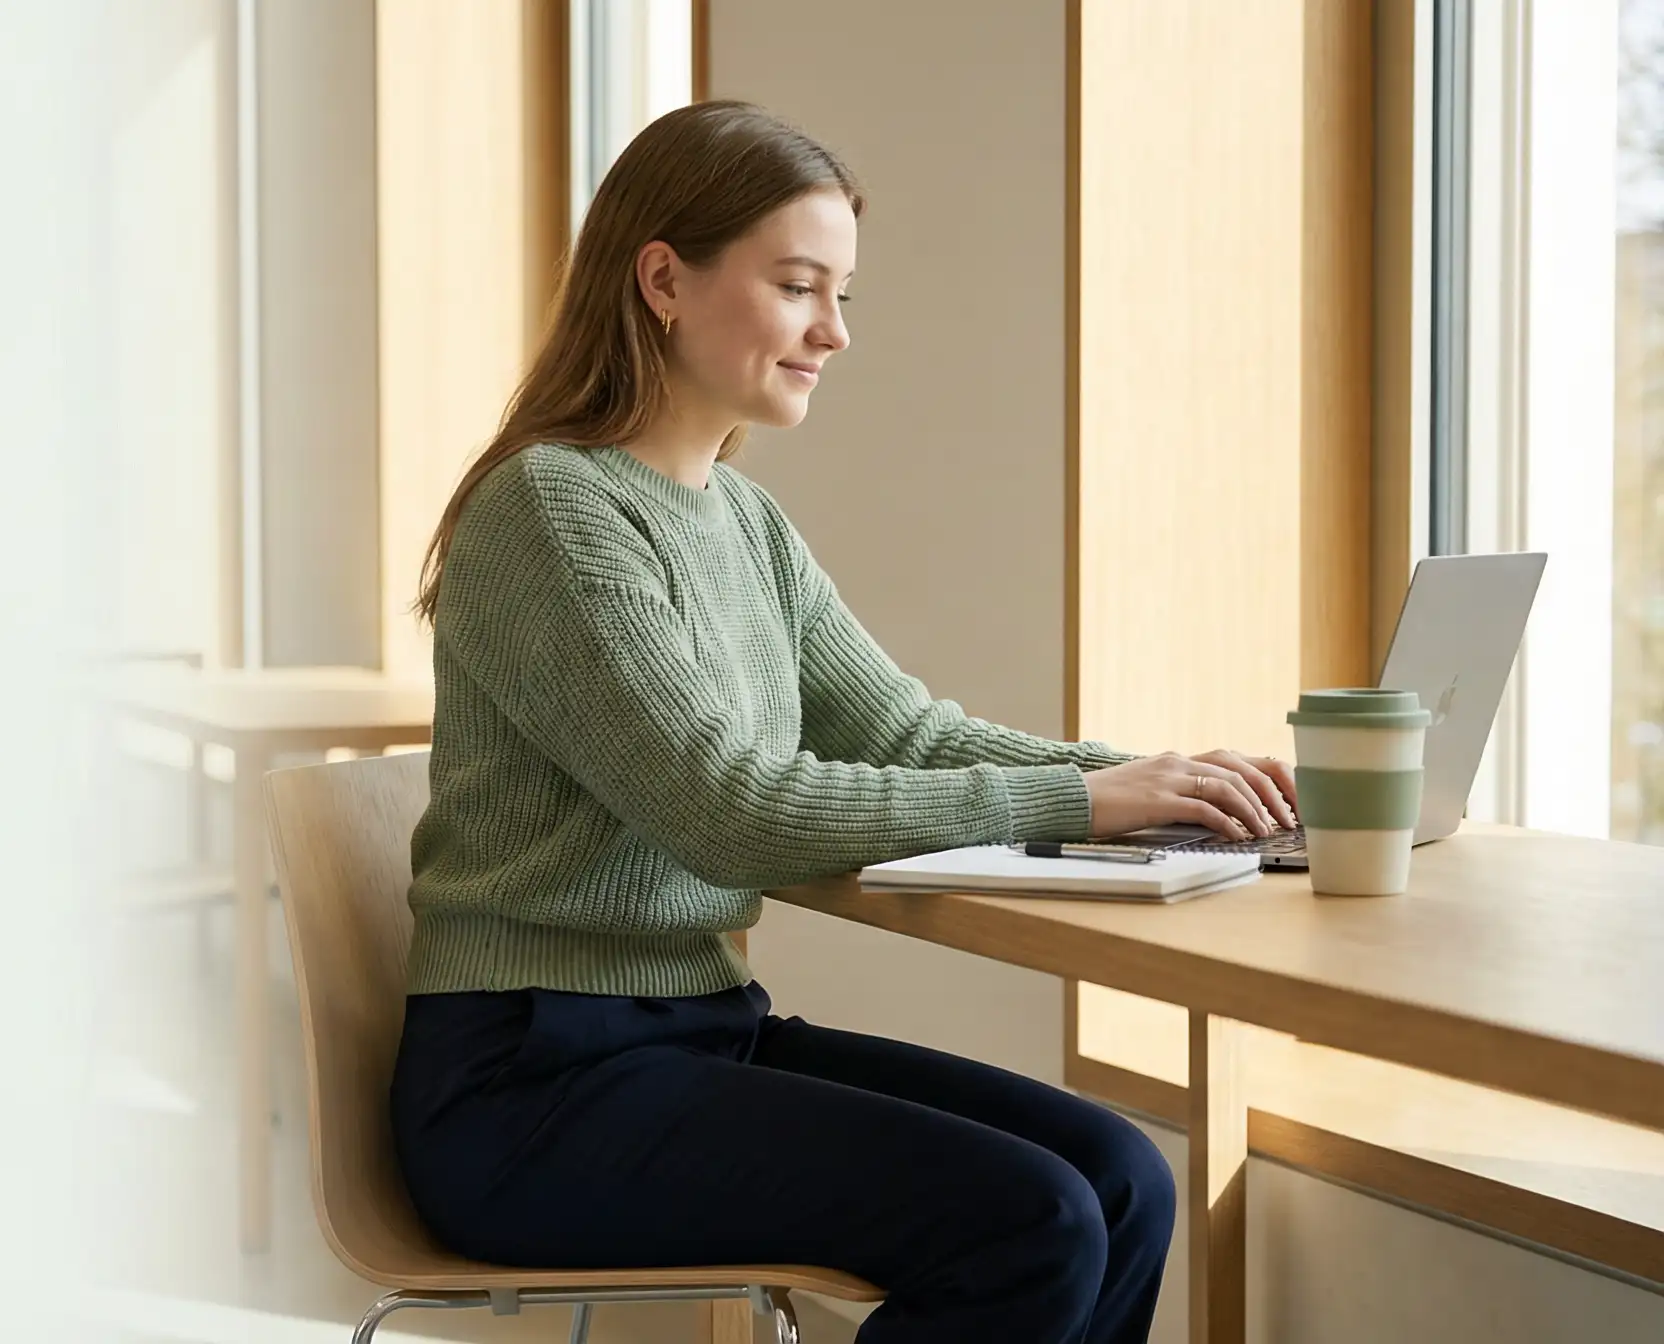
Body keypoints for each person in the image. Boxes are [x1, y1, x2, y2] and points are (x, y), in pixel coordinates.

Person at [392, 101, 1299, 1344]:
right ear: (663, 278)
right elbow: (731, 809)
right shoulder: (553, 510)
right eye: (800, 287)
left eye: (843, 296)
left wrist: (1154, 777)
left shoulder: (743, 524)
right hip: (530, 1085)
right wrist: (1088, 802)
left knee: (1123, 1182)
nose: (835, 332)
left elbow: (908, 735)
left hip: (696, 1033)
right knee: (1029, 1222)